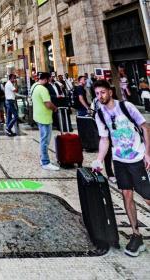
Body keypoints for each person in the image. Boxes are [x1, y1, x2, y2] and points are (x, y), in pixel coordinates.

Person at [92, 79, 150, 257]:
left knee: (147, 197)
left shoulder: (126, 107)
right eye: (96, 94)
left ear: (110, 91)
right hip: (119, 160)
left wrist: (148, 153)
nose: (100, 96)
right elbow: (104, 139)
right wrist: (99, 160)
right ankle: (136, 234)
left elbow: (145, 128)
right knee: (126, 194)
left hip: (137, 157)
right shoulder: (100, 114)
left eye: (102, 92)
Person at [31, 72, 59, 171]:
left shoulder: (34, 86)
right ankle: (45, 162)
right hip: (44, 118)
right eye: (49, 79)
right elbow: (48, 104)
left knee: (43, 139)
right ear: (46, 79)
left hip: (38, 116)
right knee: (45, 141)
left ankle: (42, 158)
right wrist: (55, 108)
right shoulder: (43, 89)